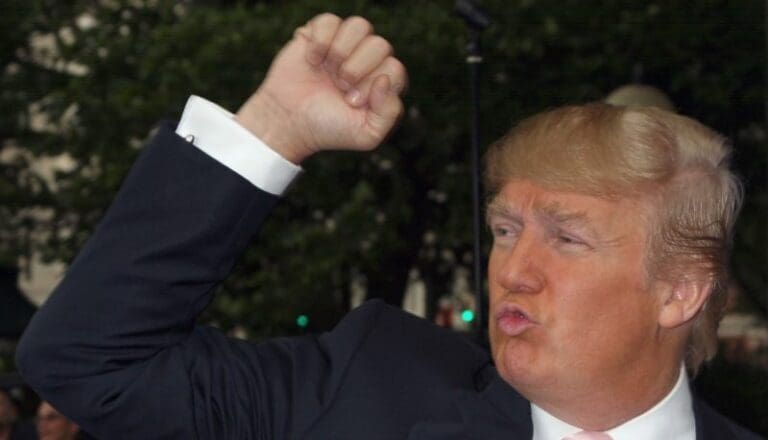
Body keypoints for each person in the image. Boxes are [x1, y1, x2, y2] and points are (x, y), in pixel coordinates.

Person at [15, 13, 760, 439]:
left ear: (680, 291)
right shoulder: (365, 393)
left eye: (566, 238)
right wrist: (274, 127)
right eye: (506, 230)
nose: (514, 270)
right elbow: (88, 361)